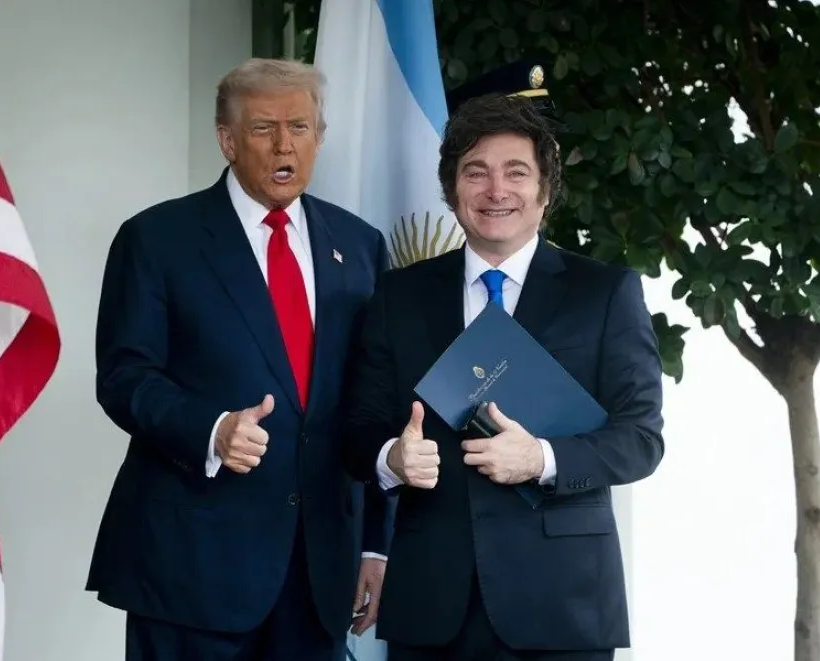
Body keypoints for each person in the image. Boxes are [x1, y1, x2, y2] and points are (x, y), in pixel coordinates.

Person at [341, 63, 665, 661]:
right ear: (451, 191)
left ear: (545, 188)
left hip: (562, 602)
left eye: (516, 172)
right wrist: (391, 457)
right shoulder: (399, 297)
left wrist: (540, 457)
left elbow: (641, 439)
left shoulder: (605, 293)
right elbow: (357, 429)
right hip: (432, 605)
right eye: (476, 173)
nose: (496, 191)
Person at [86, 57, 392, 661]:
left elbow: (374, 401)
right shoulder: (156, 239)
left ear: (321, 137)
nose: (285, 145)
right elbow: (124, 376)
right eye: (263, 129)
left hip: (319, 568)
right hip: (190, 568)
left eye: (300, 128)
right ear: (227, 140)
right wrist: (212, 429)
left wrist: (374, 547)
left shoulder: (359, 246)